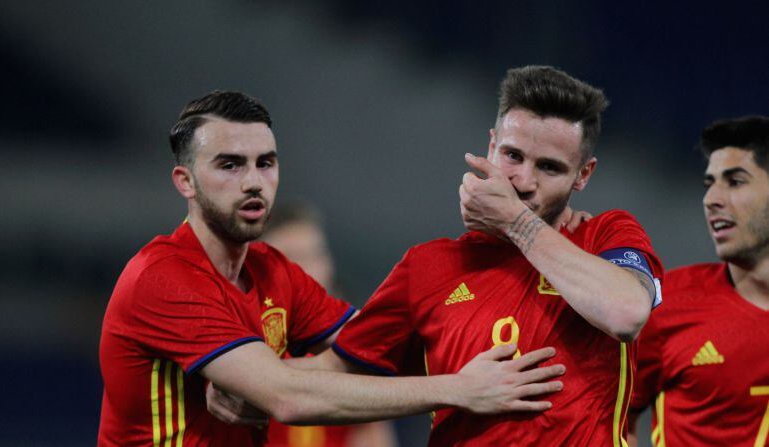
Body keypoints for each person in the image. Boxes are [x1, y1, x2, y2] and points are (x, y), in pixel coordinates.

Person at [214, 66, 664, 445]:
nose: (523, 180)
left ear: (584, 174)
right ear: (490, 145)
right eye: (512, 156)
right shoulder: (428, 267)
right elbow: (331, 376)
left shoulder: (606, 234)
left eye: (549, 167)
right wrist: (253, 388)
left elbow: (625, 313)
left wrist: (515, 223)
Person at [97, 91, 568, 446]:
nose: (254, 182)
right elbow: (288, 397)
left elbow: (378, 350)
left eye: (265, 163)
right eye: (229, 165)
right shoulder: (162, 278)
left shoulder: (274, 272)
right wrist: (458, 389)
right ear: (186, 182)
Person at [629, 116, 769, 447]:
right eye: (709, 184)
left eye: (735, 181)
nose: (710, 200)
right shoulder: (668, 304)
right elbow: (615, 418)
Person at [260, 201, 398, 447]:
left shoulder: (351, 343)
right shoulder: (240, 348)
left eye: (316, 254)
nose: (308, 270)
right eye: (293, 258)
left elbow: (371, 435)